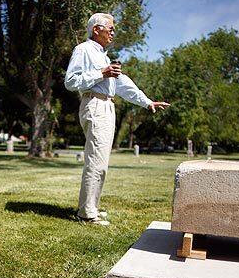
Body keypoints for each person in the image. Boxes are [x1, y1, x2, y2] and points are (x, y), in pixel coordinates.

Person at [65, 13, 169, 226]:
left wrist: (147, 102)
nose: (113, 32)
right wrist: (101, 73)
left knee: (101, 161)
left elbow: (123, 84)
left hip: (106, 106)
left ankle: (90, 207)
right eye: (110, 29)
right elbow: (70, 81)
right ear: (96, 30)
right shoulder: (83, 50)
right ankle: (86, 213)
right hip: (95, 104)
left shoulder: (103, 56)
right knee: (96, 160)